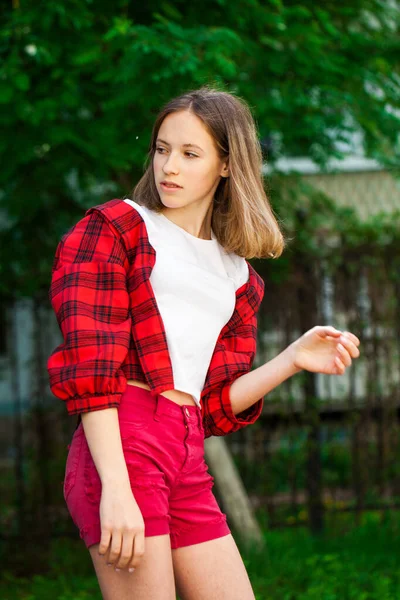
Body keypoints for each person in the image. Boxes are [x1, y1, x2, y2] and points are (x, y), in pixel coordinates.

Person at [47, 86, 361, 600]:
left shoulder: (237, 276)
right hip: (123, 445)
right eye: (162, 148)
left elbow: (212, 406)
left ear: (226, 165)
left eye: (190, 154)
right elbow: (91, 366)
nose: (169, 166)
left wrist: (291, 359)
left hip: (185, 452)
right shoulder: (117, 229)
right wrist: (117, 490)